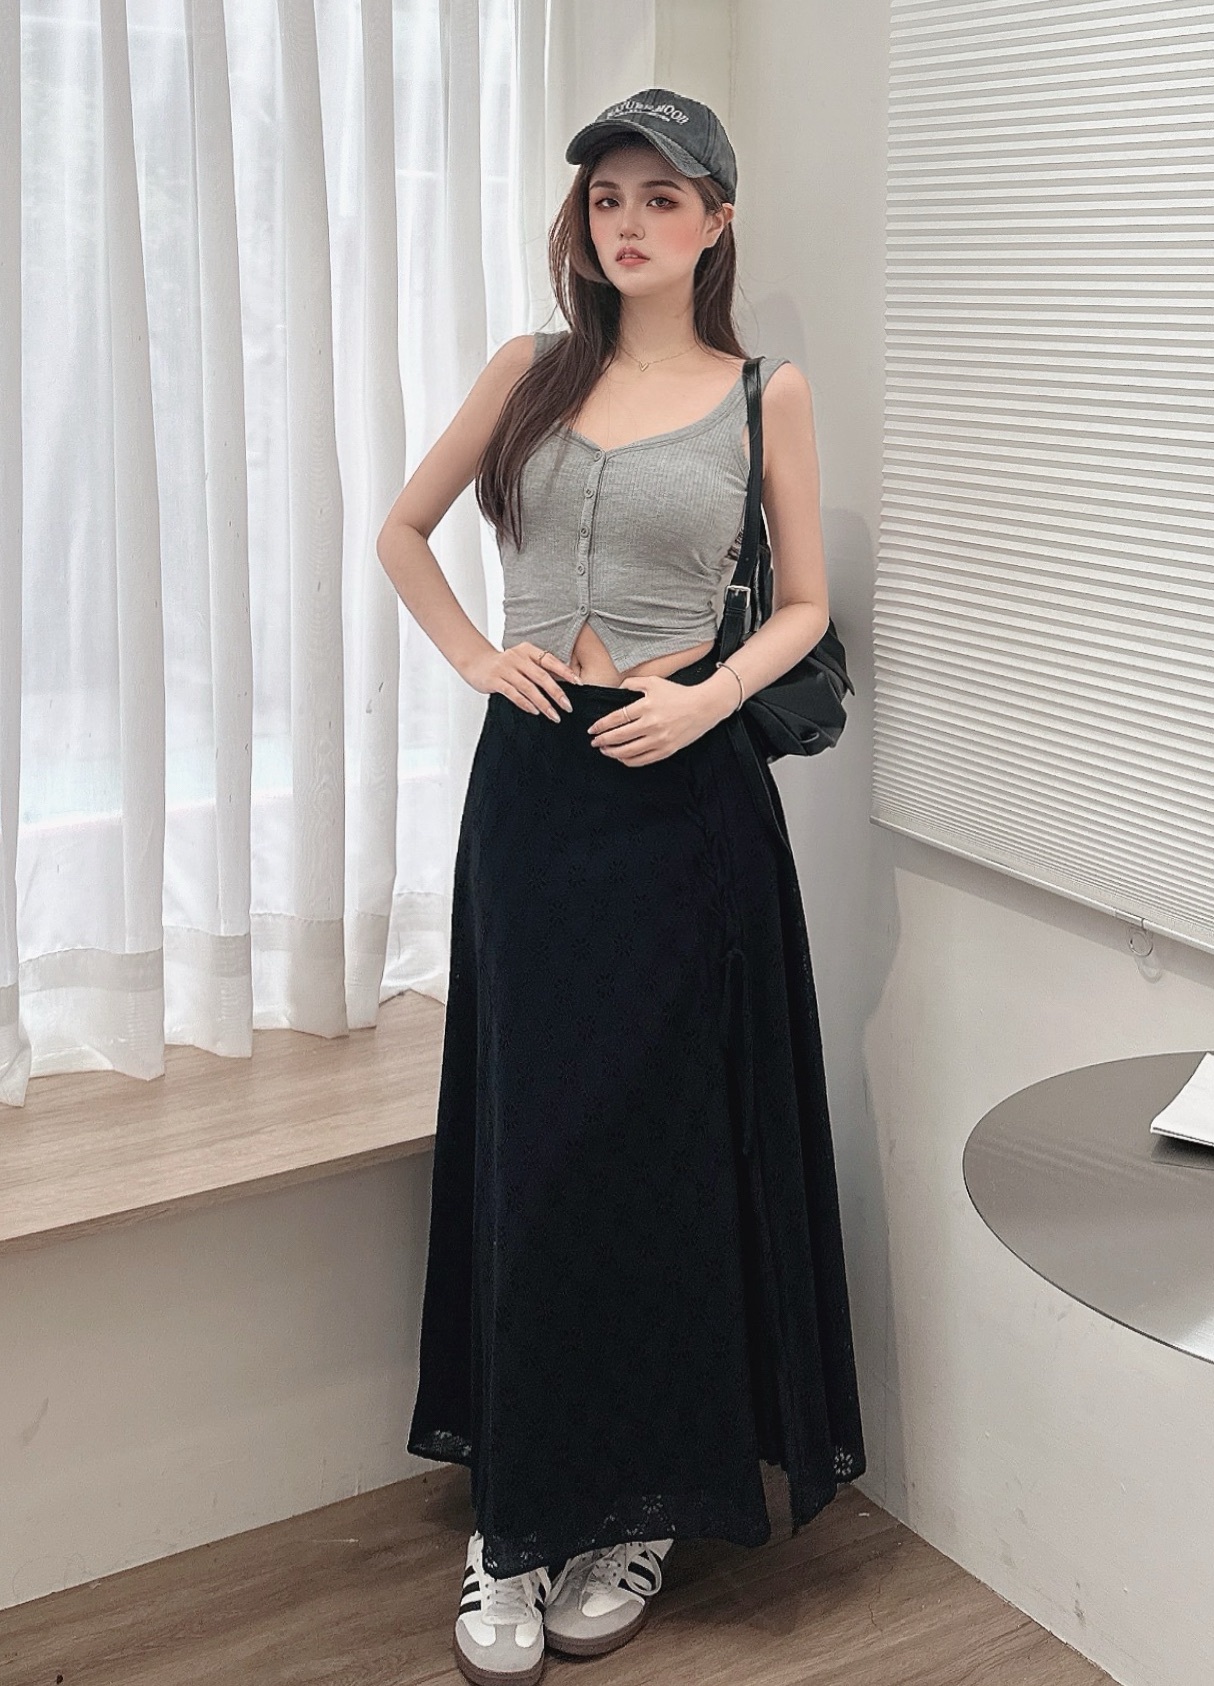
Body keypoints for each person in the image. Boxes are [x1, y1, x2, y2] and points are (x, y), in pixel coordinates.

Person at [375, 87, 866, 1686]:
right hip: (533, 797)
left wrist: (709, 697)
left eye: (662, 197)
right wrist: (478, 657)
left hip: (682, 800)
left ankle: (640, 1508)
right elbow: (402, 530)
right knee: (536, 1144)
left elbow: (801, 604)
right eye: (606, 198)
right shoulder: (526, 369)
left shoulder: (765, 392)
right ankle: (514, 1518)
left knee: (662, 1153)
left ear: (716, 223)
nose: (629, 223)